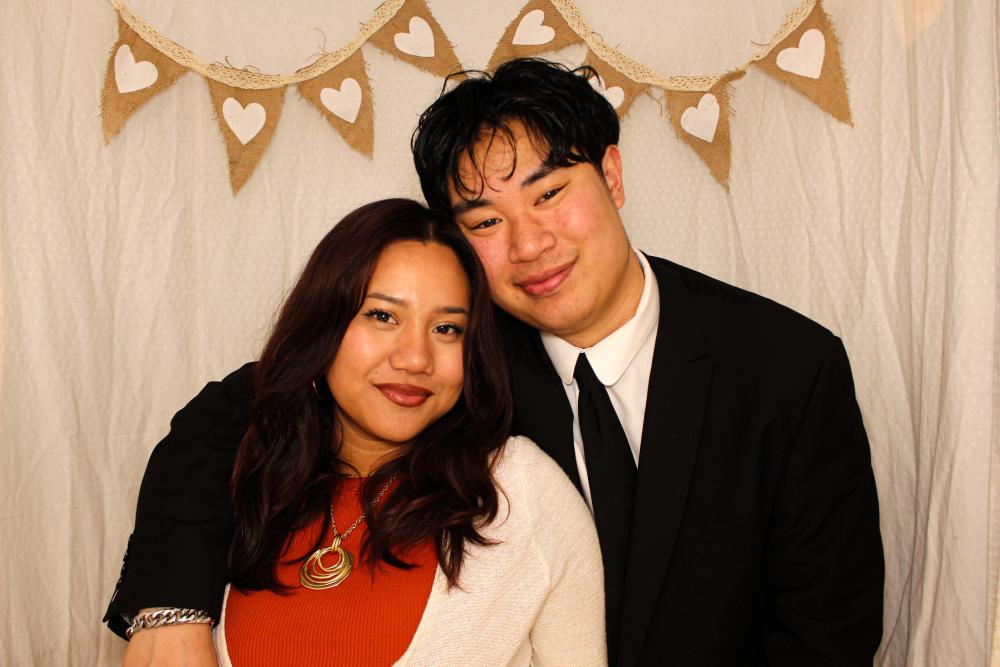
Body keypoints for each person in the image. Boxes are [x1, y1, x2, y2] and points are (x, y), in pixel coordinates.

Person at [105, 58, 884, 665]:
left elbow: (825, 631)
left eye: (549, 194)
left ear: (612, 175)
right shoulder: (448, 359)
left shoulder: (787, 368)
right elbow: (236, 415)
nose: (529, 243)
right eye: (485, 220)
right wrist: (172, 605)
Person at [108, 198, 605, 666]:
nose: (415, 359)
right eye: (383, 316)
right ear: (323, 325)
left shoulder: (522, 496)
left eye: (447, 328)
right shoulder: (243, 479)